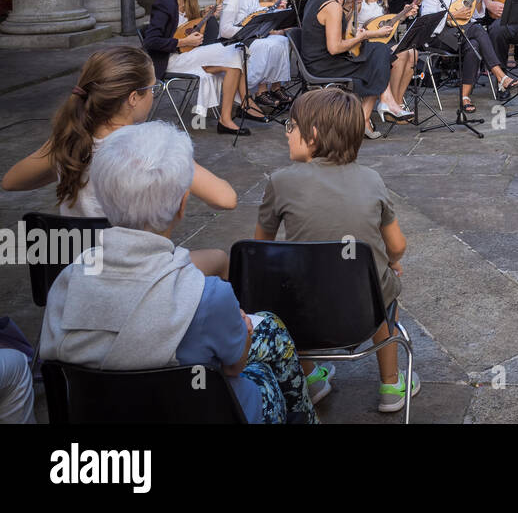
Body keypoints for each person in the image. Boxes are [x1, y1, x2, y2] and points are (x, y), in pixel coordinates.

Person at [39, 122, 318, 424]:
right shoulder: (210, 297)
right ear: (183, 204)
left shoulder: (66, 285)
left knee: (268, 331)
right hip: (202, 412)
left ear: (105, 200)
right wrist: (246, 332)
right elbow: (236, 366)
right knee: (262, 371)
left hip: (107, 425)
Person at [2, 47, 235, 278]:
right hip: (137, 273)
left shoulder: (69, 140)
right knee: (221, 259)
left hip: (79, 271)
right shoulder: (149, 148)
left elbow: (11, 182)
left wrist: (66, 163)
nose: (154, 95)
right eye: (152, 88)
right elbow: (226, 199)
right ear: (134, 97)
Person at [254, 88, 416, 412]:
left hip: (303, 311)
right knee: (385, 293)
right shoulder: (372, 179)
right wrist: (392, 263)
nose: (287, 134)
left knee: (283, 291)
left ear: (312, 135)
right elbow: (397, 245)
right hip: (363, 309)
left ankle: (311, 379)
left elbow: (260, 251)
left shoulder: (280, 181)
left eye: (291, 126)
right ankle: (391, 384)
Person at [140, 0, 269, 135]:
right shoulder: (164, 4)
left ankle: (226, 119)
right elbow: (151, 41)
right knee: (236, 52)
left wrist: (203, 14)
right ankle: (240, 107)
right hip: (171, 59)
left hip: (189, 54)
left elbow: (185, 25)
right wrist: (183, 42)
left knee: (236, 55)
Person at [301, 0, 401, 137]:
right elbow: (335, 47)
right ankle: (365, 117)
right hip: (323, 65)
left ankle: (370, 113)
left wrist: (349, 8)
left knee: (379, 50)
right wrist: (362, 37)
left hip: (320, 59)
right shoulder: (332, 6)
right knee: (378, 58)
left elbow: (340, 30)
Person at [418, 0, 518, 113]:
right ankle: (500, 76)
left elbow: (476, 13)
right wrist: (452, 15)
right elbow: (429, 21)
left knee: (474, 44)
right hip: (440, 35)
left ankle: (465, 97)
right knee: (477, 31)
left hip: (464, 31)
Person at [219, 0, 292, 108]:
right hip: (234, 41)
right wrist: (250, 32)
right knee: (267, 45)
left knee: (281, 41)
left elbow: (255, 14)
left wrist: (274, 11)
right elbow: (225, 30)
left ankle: (272, 86)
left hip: (249, 38)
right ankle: (254, 86)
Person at [357, 0, 417, 124]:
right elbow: (352, 29)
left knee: (412, 52)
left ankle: (396, 103)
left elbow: (386, 26)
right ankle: (392, 105)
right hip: (365, 47)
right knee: (402, 55)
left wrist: (403, 16)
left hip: (381, 44)